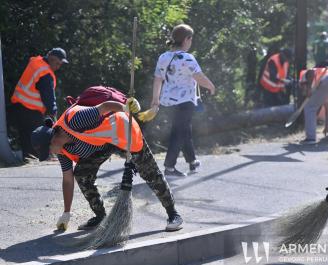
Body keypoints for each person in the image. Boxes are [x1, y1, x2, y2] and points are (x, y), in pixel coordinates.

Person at [30, 97, 184, 232]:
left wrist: (125, 108)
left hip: (121, 130)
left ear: (53, 140)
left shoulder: (75, 120)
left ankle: (173, 214)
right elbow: (68, 179)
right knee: (82, 174)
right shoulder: (61, 150)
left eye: (48, 150)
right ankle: (100, 216)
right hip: (102, 144)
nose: (50, 154)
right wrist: (66, 213)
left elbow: (105, 107)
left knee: (149, 172)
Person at [150, 24, 215, 177]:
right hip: (185, 102)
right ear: (187, 39)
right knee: (179, 132)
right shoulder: (187, 58)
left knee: (184, 130)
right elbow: (199, 77)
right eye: (191, 39)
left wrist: (155, 100)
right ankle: (169, 167)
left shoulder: (163, 57)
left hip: (168, 102)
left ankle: (192, 161)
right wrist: (211, 86)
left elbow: (157, 80)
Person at [8, 48, 67, 160]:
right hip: (31, 110)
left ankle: (28, 159)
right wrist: (53, 112)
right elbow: (48, 97)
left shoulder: (36, 62)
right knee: (36, 137)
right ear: (51, 58)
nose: (58, 67)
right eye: (57, 63)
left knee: (26, 137)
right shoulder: (45, 73)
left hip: (19, 106)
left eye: (60, 64)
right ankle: (36, 159)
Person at [299, 60, 328, 144]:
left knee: (310, 107)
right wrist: (326, 125)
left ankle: (310, 138)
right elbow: (324, 104)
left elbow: (310, 72)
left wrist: (308, 88)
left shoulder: (306, 73)